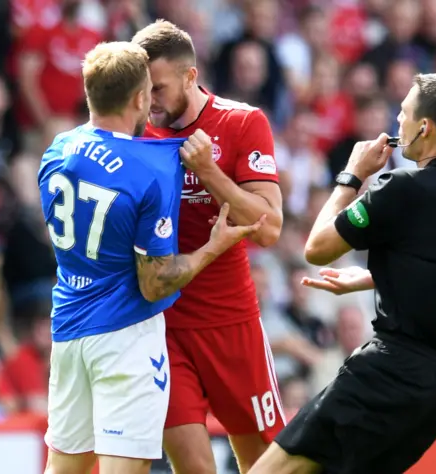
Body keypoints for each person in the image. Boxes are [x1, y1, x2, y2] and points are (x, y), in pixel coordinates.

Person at [38, 41, 266, 474]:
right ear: (141, 97)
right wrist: (212, 248)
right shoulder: (149, 170)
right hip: (125, 335)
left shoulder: (57, 149)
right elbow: (155, 281)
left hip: (68, 329)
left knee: (63, 467)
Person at [248, 73, 436, 474]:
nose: (397, 121)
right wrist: (377, 278)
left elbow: (318, 248)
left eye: (403, 113)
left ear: (424, 127)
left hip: (391, 370)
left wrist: (352, 176)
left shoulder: (402, 187)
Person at [132, 21, 285, 474]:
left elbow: (269, 229)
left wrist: (210, 172)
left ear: (190, 76)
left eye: (157, 89)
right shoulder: (137, 131)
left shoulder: (241, 122)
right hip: (163, 325)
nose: (148, 101)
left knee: (264, 464)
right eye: (142, 90)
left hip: (230, 322)